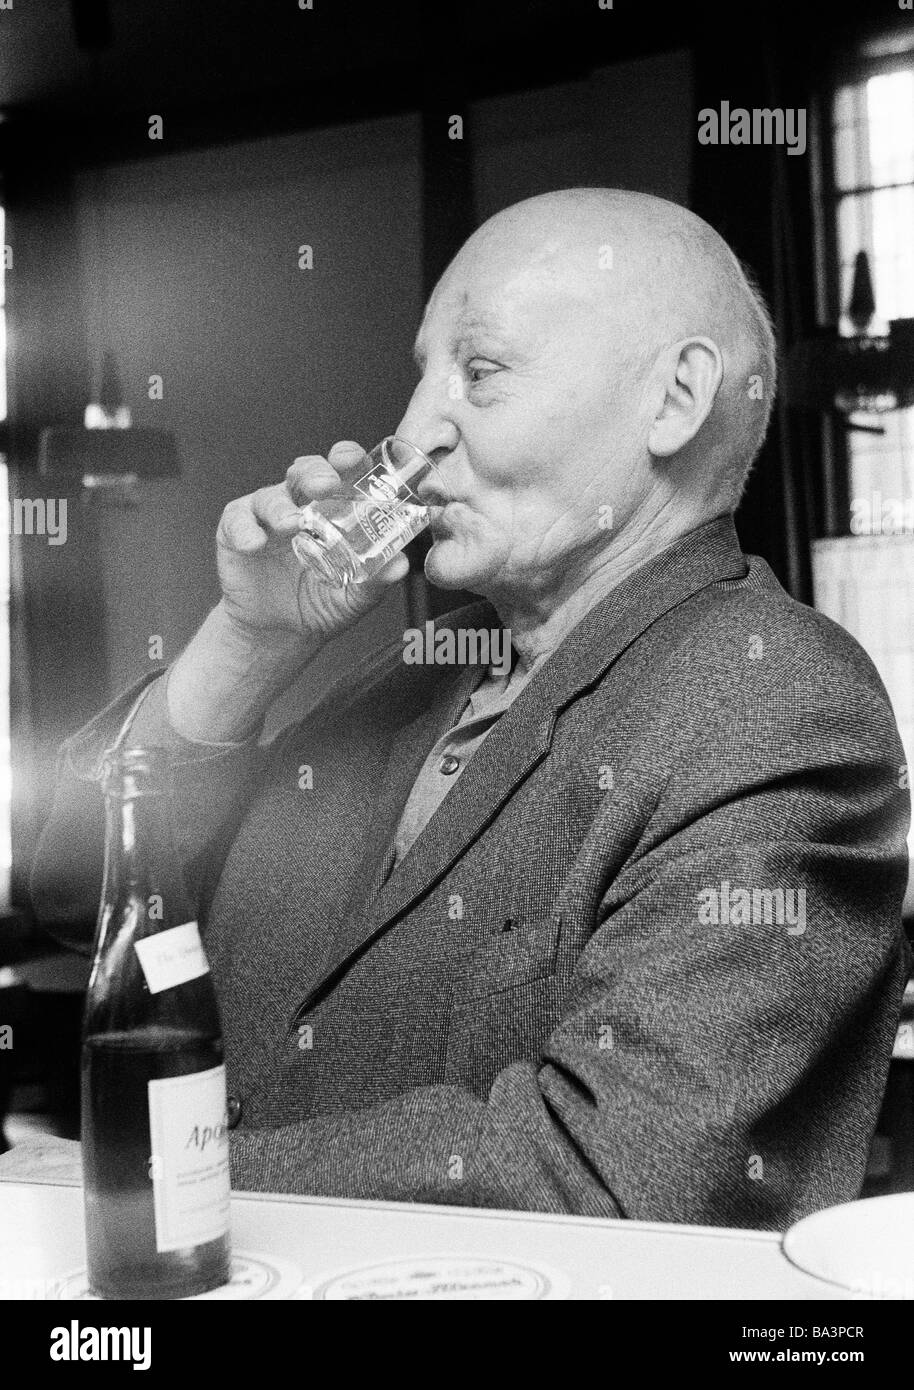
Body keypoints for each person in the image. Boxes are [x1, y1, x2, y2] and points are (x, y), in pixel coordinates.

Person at [32, 189, 911, 1229]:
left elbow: (621, 1170)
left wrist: (161, 1175)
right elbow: (78, 899)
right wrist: (247, 644)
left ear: (673, 399)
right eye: (418, 379)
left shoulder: (775, 700)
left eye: (478, 374)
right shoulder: (396, 689)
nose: (407, 436)